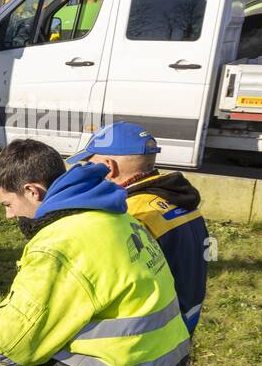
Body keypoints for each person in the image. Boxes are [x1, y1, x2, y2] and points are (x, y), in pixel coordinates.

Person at [0, 138, 190, 366]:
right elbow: (67, 300)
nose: (8, 215)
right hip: (167, 365)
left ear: (32, 191)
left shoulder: (59, 244)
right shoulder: (114, 217)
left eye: (8, 203)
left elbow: (15, 347)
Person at [65, 121, 208, 332]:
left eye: (89, 163)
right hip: (187, 316)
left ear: (108, 167)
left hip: (154, 330)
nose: (86, 170)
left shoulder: (131, 214)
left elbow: (107, 281)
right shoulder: (180, 200)